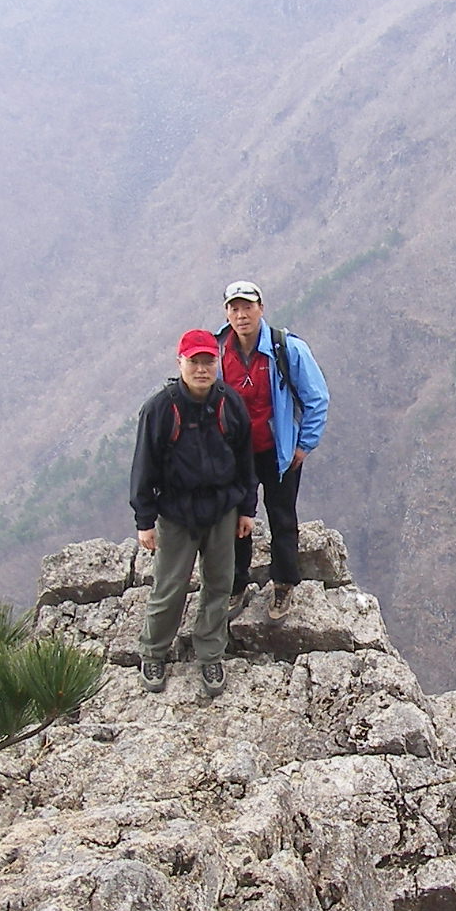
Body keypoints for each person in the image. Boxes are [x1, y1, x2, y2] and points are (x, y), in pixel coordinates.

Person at [127, 328, 257, 698]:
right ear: (180, 362)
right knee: (170, 587)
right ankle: (153, 651)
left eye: (208, 361)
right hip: (176, 511)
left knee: (219, 584)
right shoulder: (160, 408)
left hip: (221, 509)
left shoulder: (229, 404)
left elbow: (246, 462)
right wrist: (144, 520)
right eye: (194, 361)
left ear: (216, 362)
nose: (202, 369)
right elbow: (143, 466)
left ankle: (210, 653)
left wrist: (247, 509)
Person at [216, 279, 330, 618]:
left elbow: (316, 398)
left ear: (260, 308)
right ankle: (237, 585)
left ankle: (283, 585)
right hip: (238, 455)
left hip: (280, 452)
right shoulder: (218, 350)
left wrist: (303, 445)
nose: (241, 315)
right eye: (234, 308)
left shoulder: (285, 349)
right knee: (237, 519)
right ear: (226, 313)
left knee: (282, 517)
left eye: (247, 307)